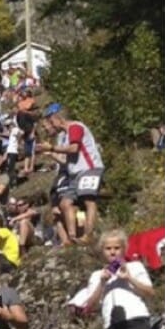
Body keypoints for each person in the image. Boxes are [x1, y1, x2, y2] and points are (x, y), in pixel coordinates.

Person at [37, 103, 104, 244]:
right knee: (65, 203)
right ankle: (72, 237)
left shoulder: (75, 127)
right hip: (75, 173)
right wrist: (50, 152)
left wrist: (53, 147)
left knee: (88, 200)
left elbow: (74, 148)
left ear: (58, 118)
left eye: (51, 121)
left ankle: (88, 234)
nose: (51, 125)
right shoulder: (65, 135)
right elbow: (65, 159)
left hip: (89, 168)